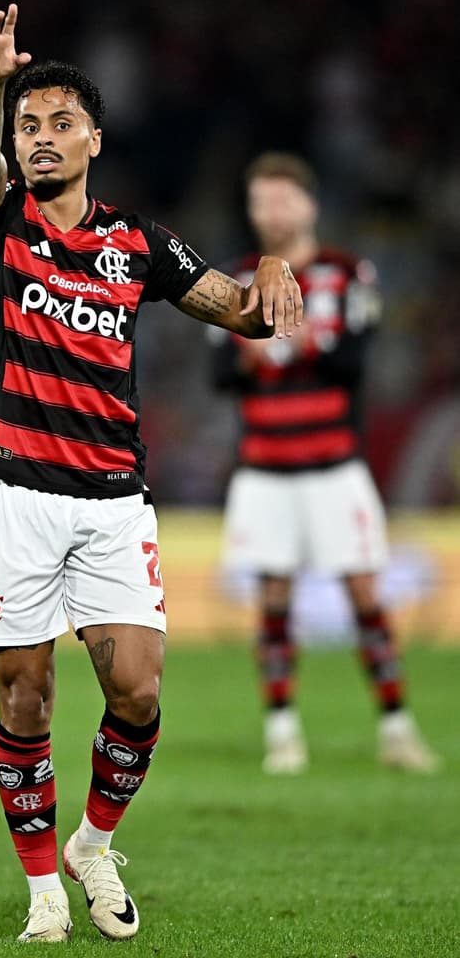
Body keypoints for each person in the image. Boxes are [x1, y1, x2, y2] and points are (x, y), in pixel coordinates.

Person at [0, 5, 302, 944]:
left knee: (139, 691)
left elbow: (245, 314)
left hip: (112, 501)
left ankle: (92, 844)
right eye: (29, 125)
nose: (41, 139)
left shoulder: (138, 243)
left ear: (96, 139)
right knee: (26, 696)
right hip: (16, 494)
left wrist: (269, 263)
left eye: (60, 122)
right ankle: (43, 894)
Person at [209, 151, 440, 776]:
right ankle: (282, 732)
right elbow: (218, 376)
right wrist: (244, 362)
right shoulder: (232, 280)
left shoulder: (346, 274)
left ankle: (396, 726)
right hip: (264, 467)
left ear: (309, 205)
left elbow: (359, 366)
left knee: (366, 592)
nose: (273, 211)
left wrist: (312, 342)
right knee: (273, 599)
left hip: (335, 465)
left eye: (283, 198)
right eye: (261, 200)